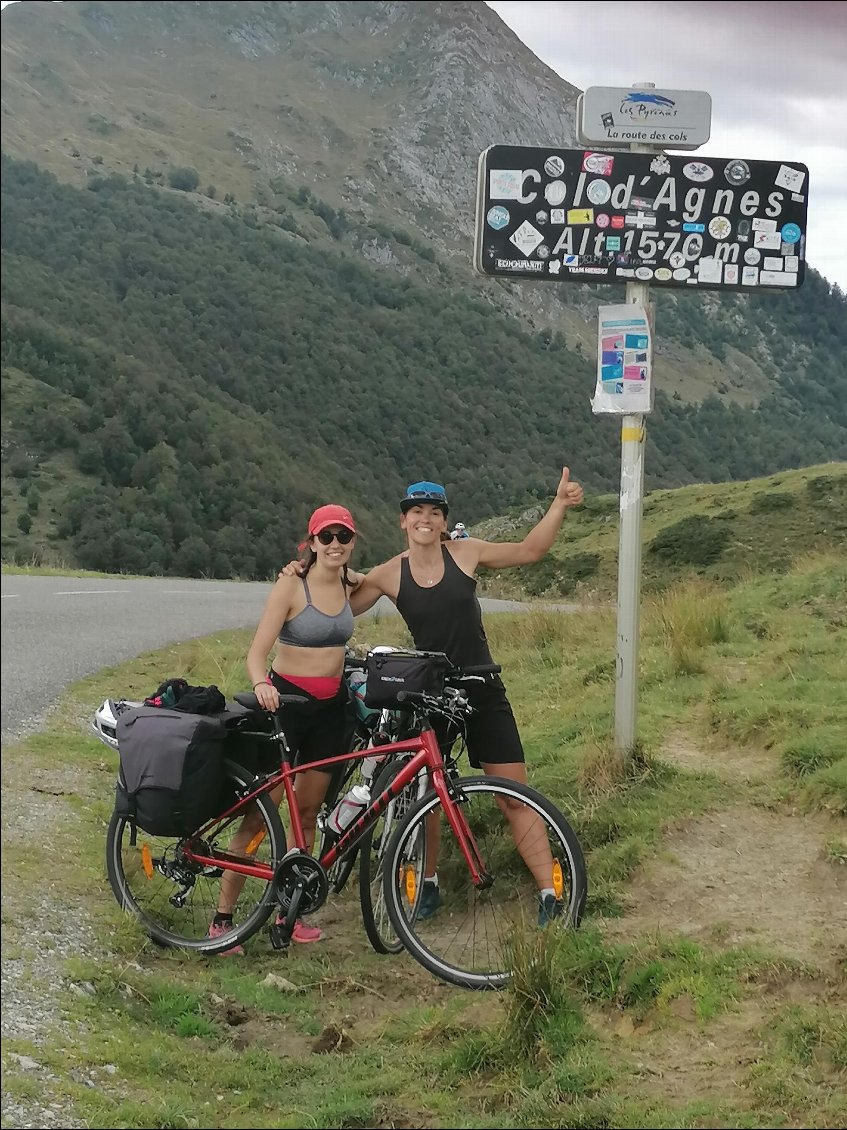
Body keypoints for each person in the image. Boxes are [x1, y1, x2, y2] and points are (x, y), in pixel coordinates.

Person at [283, 469, 584, 924]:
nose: (426, 519)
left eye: (435, 512)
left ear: (444, 522)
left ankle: (549, 893)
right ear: (403, 521)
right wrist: (300, 571)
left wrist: (559, 504)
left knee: (513, 795)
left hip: (482, 687)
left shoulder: (467, 553)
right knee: (428, 795)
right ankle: (427, 885)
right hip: (429, 694)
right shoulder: (389, 573)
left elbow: (531, 549)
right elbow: (334, 602)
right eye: (416, 512)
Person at [210, 504, 359, 953]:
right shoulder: (291, 585)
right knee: (263, 816)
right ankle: (223, 919)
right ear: (311, 542)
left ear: (353, 542)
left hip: (332, 710)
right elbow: (257, 652)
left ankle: (288, 914)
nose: (335, 544)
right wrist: (260, 684)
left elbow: (389, 578)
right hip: (286, 705)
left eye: (343, 536)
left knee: (308, 814)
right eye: (326, 536)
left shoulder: (353, 583)